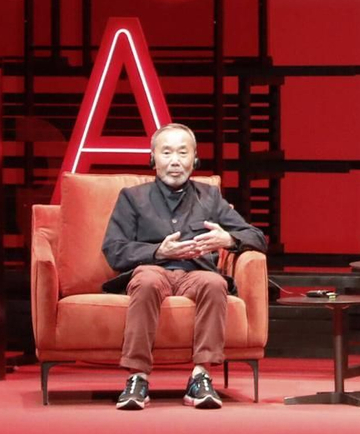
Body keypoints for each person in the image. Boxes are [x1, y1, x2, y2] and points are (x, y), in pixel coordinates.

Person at [101, 123, 266, 411]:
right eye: (166, 152)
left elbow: (256, 236)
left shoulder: (210, 197)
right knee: (147, 281)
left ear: (195, 159)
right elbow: (114, 249)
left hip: (196, 273)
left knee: (216, 283)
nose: (175, 161)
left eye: (182, 152)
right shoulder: (132, 197)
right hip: (152, 269)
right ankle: (137, 377)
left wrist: (227, 238)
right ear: (153, 158)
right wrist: (157, 250)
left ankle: (200, 377)